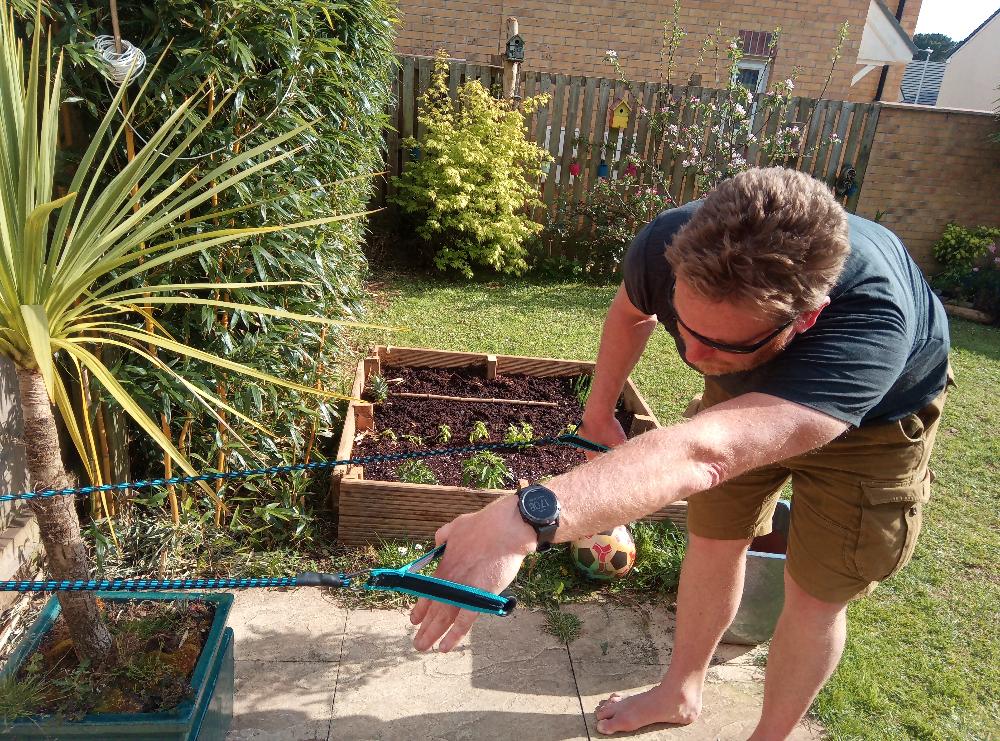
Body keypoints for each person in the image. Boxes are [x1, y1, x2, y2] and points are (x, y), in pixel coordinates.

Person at [408, 167, 951, 739]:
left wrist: (526, 516)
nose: (691, 354)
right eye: (685, 326)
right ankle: (680, 691)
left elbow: (704, 454)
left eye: (717, 342)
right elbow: (630, 314)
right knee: (715, 541)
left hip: (875, 430)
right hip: (737, 402)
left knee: (815, 596)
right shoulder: (667, 244)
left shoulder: (872, 319)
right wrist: (598, 413)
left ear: (806, 319)